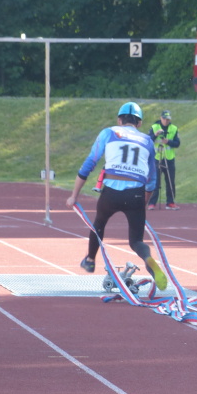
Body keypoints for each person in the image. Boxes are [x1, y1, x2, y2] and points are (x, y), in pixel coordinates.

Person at [66, 101, 168, 290]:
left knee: (99, 224)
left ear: (119, 120)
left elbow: (89, 164)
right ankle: (148, 259)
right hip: (136, 194)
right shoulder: (147, 141)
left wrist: (74, 195)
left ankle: (90, 260)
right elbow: (152, 180)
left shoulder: (108, 133)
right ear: (139, 123)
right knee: (136, 241)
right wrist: (143, 204)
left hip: (111, 193)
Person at [147, 109, 181, 210]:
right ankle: (152, 203)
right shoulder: (154, 127)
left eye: (168, 119)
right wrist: (155, 135)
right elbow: (148, 140)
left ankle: (170, 202)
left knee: (170, 181)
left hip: (169, 158)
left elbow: (177, 143)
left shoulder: (174, 128)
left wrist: (168, 142)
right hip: (157, 158)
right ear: (161, 118)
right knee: (156, 181)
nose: (166, 121)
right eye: (164, 119)